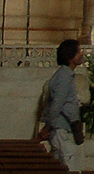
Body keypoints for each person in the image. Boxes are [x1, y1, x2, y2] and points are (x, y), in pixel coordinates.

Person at [34, 38, 84, 171]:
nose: (82, 54)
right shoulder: (63, 77)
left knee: (59, 166)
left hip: (61, 128)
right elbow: (58, 103)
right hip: (61, 129)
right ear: (70, 56)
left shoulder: (66, 75)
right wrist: (47, 127)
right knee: (70, 166)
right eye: (78, 51)